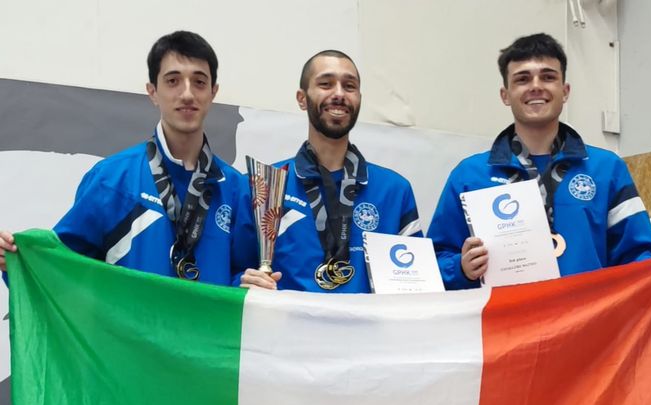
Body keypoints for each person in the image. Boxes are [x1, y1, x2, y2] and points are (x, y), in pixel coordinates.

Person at [428, 33, 651, 293]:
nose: (536, 86)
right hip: (504, 324)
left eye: (548, 77)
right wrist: (461, 268)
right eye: (522, 79)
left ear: (565, 90)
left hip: (587, 323)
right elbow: (433, 265)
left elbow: (637, 257)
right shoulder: (470, 176)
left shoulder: (606, 169)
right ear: (505, 95)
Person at [0, 31, 273, 289]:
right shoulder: (112, 179)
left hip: (205, 326)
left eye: (199, 82)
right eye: (173, 81)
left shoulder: (235, 189)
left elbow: (243, 274)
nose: (187, 94)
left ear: (213, 92)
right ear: (152, 91)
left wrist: (248, 284)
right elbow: (63, 268)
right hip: (129, 327)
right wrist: (16, 261)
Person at [270, 50, 421, 292]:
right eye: (326, 84)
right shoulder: (268, 185)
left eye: (349, 86)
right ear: (302, 98)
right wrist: (245, 282)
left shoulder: (394, 191)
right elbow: (236, 272)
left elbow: (416, 285)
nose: (339, 94)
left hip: (369, 319)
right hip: (290, 319)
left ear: (359, 98)